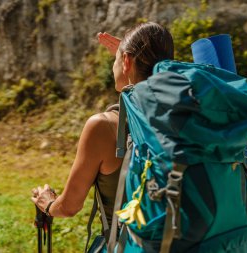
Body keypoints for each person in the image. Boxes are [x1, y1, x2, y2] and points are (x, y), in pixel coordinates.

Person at [31, 22, 174, 229]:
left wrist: (48, 204)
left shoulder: (104, 126)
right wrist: (130, 58)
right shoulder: (185, 117)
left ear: (125, 61)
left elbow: (69, 206)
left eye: (116, 59)